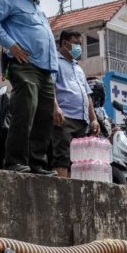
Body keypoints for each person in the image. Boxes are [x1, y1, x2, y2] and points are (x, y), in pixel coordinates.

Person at [0, 0, 58, 175]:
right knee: (25, 110)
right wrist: (11, 45)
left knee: (43, 116)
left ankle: (37, 164)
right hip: (25, 65)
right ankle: (15, 161)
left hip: (45, 69)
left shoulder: (39, 8)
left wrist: (53, 69)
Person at [50, 30, 99, 178]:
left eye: (80, 44)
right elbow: (50, 86)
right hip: (65, 118)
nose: (79, 47)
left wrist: (93, 119)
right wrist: (55, 108)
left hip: (82, 121)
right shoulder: (55, 62)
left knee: (79, 162)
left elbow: (87, 95)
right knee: (62, 158)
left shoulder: (78, 68)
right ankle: (62, 194)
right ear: (65, 43)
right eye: (76, 44)